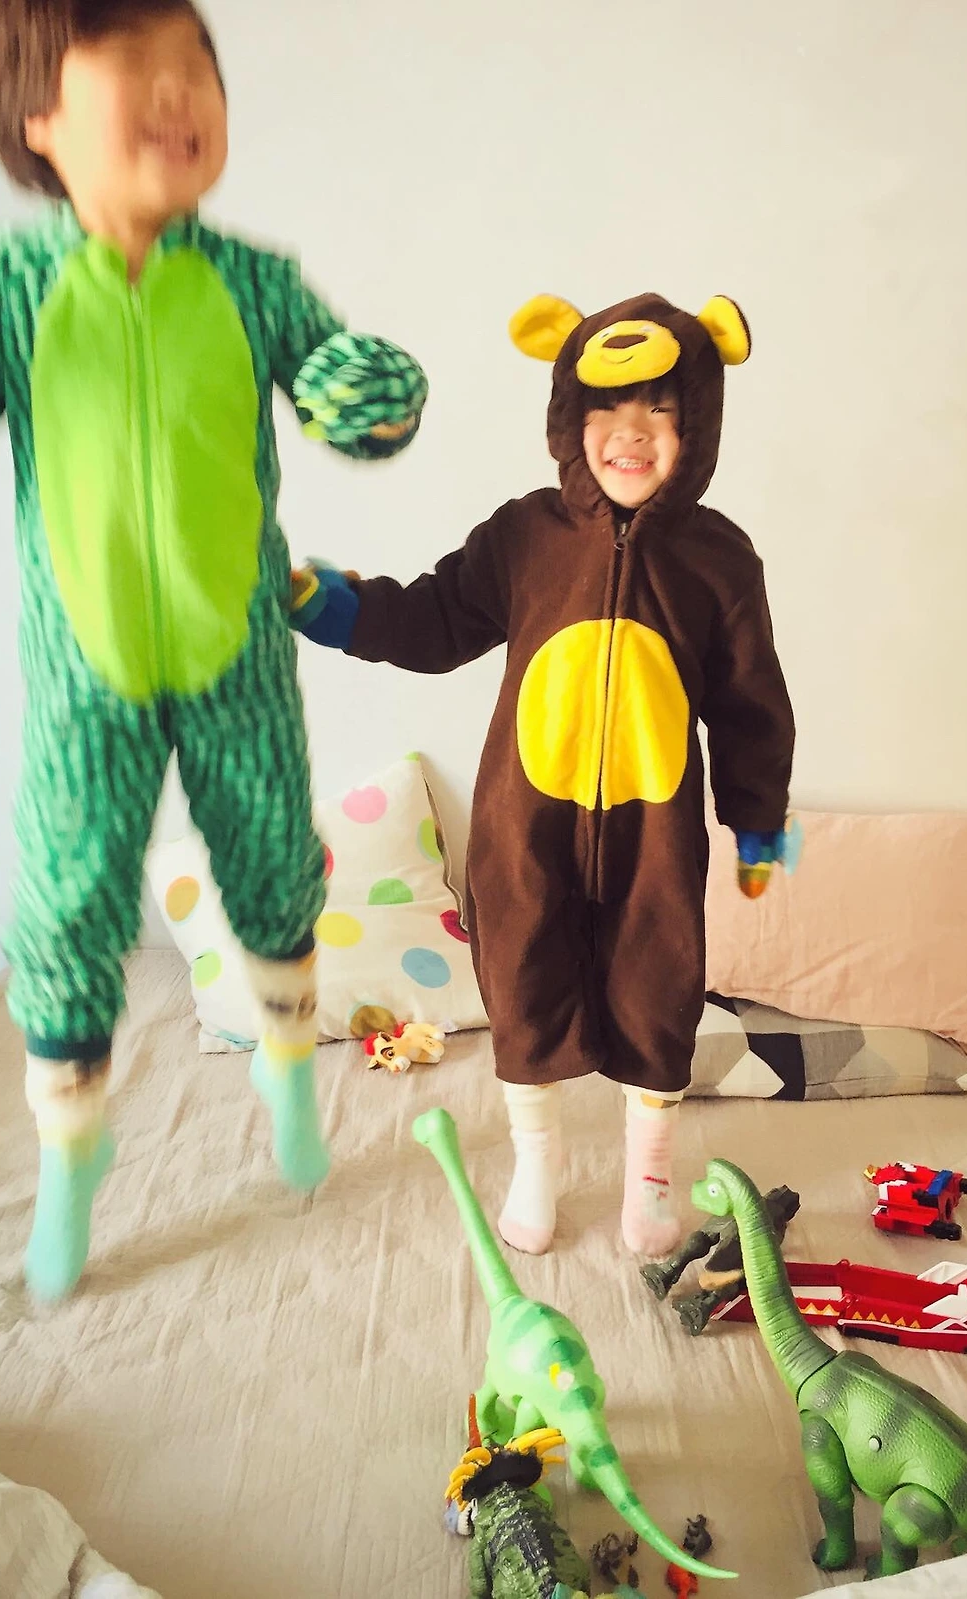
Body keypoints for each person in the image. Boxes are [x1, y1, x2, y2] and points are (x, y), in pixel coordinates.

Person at [0, 0, 428, 1302]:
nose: (181, 93)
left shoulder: (253, 279)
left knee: (274, 868)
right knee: (65, 910)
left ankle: (289, 1078)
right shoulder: (9, 287)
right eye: (139, 68)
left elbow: (348, 396)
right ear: (39, 121)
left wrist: (370, 392)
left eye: (196, 66)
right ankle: (72, 1155)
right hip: (86, 681)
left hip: (240, 657)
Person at [292, 290, 794, 1256]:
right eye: (608, 410)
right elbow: (435, 620)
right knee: (522, 977)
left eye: (662, 410)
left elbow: (751, 703)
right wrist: (335, 608)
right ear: (570, 419)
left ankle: (649, 1179)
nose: (632, 435)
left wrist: (759, 819)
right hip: (525, 816)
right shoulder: (525, 536)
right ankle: (537, 1162)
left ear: (700, 424)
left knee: (660, 982)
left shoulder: (720, 559)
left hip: (655, 825)